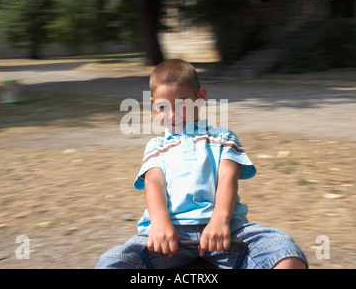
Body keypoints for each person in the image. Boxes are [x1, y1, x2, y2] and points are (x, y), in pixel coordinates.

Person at [96, 59, 308, 269]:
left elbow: (228, 177)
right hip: (168, 234)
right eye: (163, 107)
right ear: (154, 105)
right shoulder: (156, 145)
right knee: (111, 262)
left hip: (227, 230)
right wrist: (160, 224)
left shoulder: (223, 137)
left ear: (200, 97)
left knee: (286, 254)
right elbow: (154, 183)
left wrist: (219, 220)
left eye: (182, 105)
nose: (172, 115)